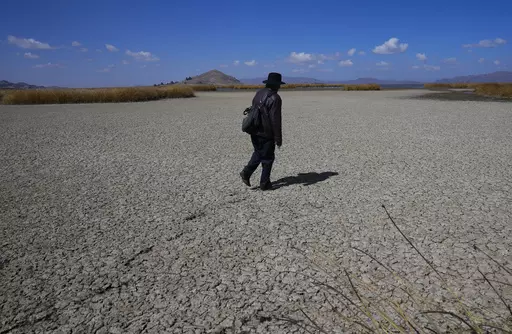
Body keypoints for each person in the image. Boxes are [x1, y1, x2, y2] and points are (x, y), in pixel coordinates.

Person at [240, 72, 284, 191]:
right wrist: (278, 138)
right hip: (266, 132)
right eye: (279, 85)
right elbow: (275, 120)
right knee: (268, 158)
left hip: (254, 129)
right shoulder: (275, 98)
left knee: (258, 153)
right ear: (276, 85)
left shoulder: (259, 93)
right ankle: (264, 183)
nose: (279, 87)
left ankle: (246, 173)